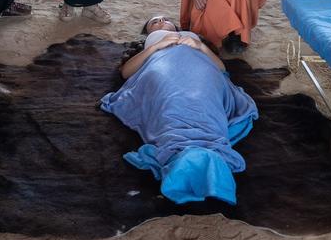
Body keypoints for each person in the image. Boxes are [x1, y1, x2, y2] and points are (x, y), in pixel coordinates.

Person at [100, 15, 259, 204]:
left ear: (175, 25)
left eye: (164, 19)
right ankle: (188, 155)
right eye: (154, 22)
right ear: (149, 33)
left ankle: (202, 152)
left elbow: (220, 68)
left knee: (202, 95)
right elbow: (126, 72)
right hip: (162, 66)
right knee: (170, 97)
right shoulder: (152, 45)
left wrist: (199, 46)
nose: (160, 21)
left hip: (200, 68)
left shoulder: (193, 39)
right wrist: (155, 47)